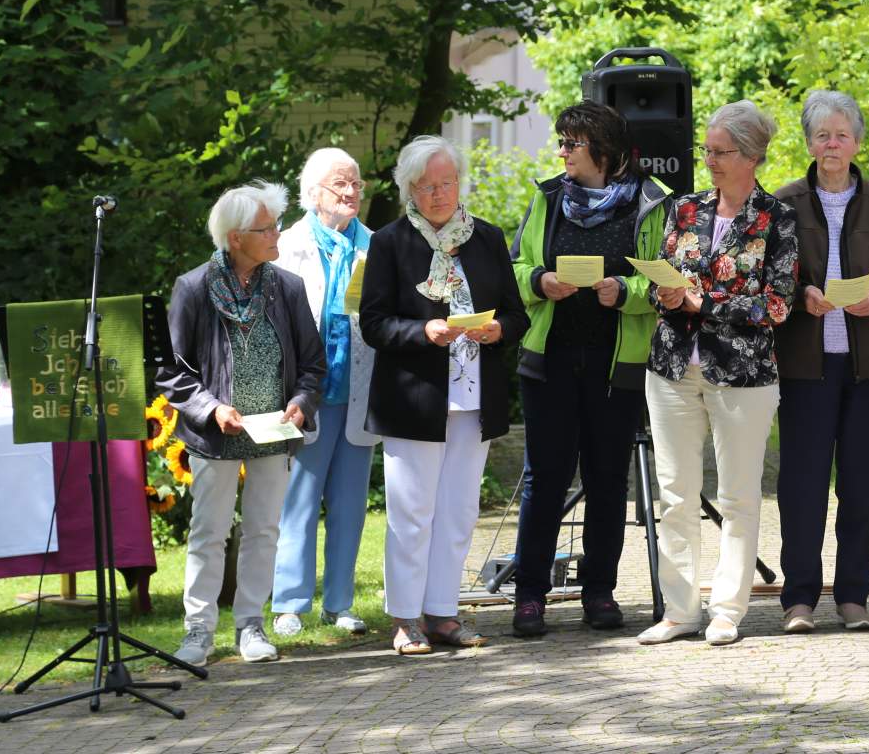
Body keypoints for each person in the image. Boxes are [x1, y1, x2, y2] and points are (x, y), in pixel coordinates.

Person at [637, 100, 799, 647]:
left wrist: (701, 304)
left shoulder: (777, 218)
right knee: (675, 494)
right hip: (671, 367)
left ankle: (728, 609)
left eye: (720, 151)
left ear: (752, 156)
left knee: (737, 496)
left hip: (744, 375)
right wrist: (663, 294)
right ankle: (679, 610)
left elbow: (777, 307)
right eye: (704, 150)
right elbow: (663, 283)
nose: (709, 160)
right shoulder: (683, 209)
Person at [507, 103, 673, 636]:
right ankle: (529, 595)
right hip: (550, 360)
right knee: (544, 480)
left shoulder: (651, 204)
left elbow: (668, 284)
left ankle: (598, 591)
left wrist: (626, 292)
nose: (561, 151)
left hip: (614, 365)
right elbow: (510, 269)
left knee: (606, 480)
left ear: (603, 150)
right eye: (561, 141)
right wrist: (538, 282)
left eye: (571, 143)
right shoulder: (548, 197)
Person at [360, 136, 529, 654]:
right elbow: (374, 323)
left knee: (458, 512)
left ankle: (444, 613)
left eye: (447, 183)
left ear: (459, 183)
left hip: (474, 398)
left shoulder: (488, 238)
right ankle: (406, 617)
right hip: (415, 397)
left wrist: (498, 329)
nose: (439, 194)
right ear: (410, 188)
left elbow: (517, 314)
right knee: (412, 512)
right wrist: (424, 333)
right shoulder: (390, 242)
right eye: (427, 186)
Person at [159, 181, 326, 667]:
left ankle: (250, 624)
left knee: (263, 530)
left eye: (276, 224)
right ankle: (198, 631)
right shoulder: (193, 288)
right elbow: (171, 368)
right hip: (216, 436)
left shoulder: (287, 287)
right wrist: (212, 409)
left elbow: (313, 364)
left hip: (274, 433)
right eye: (266, 227)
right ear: (235, 237)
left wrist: (300, 402)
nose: (277, 234)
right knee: (208, 532)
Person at [773, 91, 869, 634]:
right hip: (805, 363)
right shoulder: (782, 202)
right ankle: (799, 598)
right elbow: (768, 277)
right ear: (809, 143)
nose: (831, 144)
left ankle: (854, 596)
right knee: (802, 485)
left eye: (841, 135)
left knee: (860, 483)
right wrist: (800, 297)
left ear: (857, 142)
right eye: (821, 135)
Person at [269, 149, 382, 639]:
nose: (352, 192)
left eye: (356, 184)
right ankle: (290, 602)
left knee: (350, 502)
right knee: (299, 500)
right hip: (307, 395)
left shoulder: (377, 246)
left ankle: (339, 602)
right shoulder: (288, 245)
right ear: (314, 193)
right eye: (341, 185)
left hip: (358, 390)